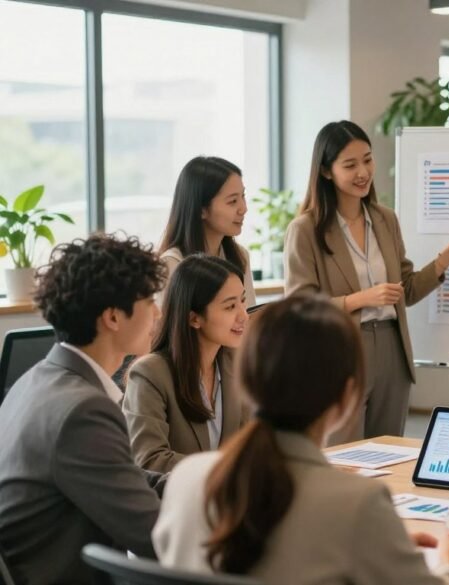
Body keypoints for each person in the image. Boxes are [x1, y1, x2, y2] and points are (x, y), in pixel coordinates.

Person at [153, 294, 449, 583]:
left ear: (247, 381)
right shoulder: (357, 503)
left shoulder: (188, 477)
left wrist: (378, 544)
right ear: (347, 395)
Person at [285, 120, 449, 443]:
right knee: (344, 456)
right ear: (325, 171)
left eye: (367, 159)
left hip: (392, 348)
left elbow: (406, 289)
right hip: (341, 349)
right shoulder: (305, 229)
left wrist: (446, 257)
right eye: (350, 165)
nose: (363, 171)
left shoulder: (384, 219)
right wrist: (360, 299)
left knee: (390, 453)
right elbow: (299, 306)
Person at [0, 234, 166, 583]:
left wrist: (211, 483)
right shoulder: (82, 411)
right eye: (149, 300)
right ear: (113, 318)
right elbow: (156, 537)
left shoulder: (35, 381)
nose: (158, 312)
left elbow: (124, 475)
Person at [123, 254, 251, 473]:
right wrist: (226, 469)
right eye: (230, 307)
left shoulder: (237, 365)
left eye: (242, 301)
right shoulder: (150, 374)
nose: (244, 316)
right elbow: (149, 459)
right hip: (173, 503)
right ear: (194, 319)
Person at [158, 156, 257, 308]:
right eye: (232, 201)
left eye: (243, 196)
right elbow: (167, 329)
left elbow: (248, 318)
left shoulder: (239, 256)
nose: (243, 208)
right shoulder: (172, 264)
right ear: (201, 210)